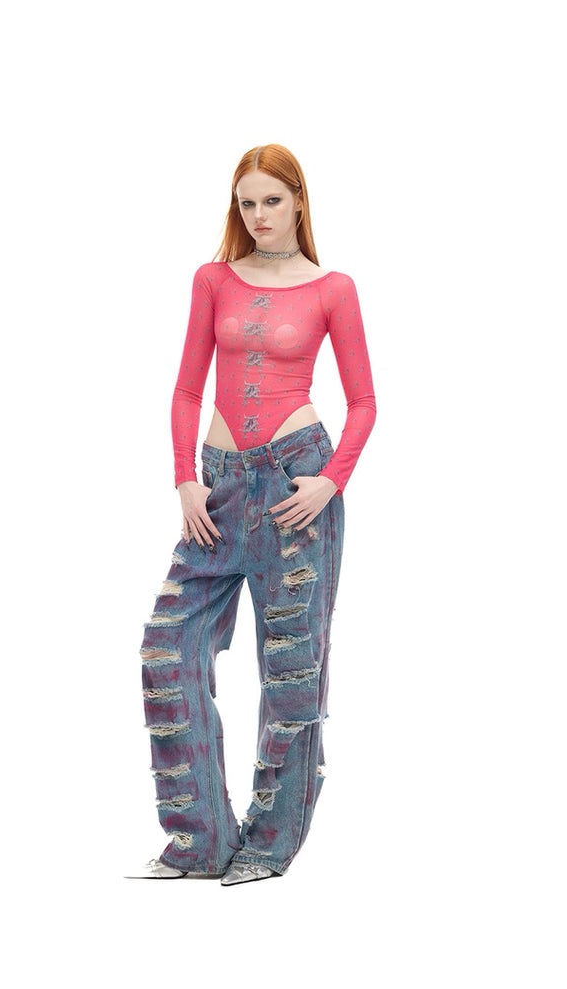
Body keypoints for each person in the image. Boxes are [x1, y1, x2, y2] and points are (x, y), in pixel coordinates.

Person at [137, 143, 376, 885]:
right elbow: (186, 389)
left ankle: (270, 844)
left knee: (292, 666)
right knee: (166, 647)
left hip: (294, 486)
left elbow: (366, 403)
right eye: (247, 202)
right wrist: (185, 480)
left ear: (298, 200)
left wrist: (330, 483)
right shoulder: (213, 279)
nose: (259, 214)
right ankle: (200, 840)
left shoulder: (333, 288)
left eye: (272, 200)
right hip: (217, 490)